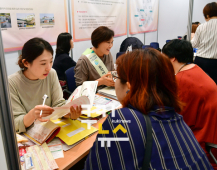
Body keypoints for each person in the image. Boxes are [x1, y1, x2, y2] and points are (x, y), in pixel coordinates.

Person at [84, 49, 212, 170]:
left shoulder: (124, 119)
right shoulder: (175, 117)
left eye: (117, 77)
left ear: (129, 86)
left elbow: (95, 166)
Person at [162, 39, 217, 169]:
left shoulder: (181, 79)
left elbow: (177, 119)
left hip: (200, 145)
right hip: (210, 135)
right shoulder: (196, 69)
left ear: (172, 59)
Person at [8, 38, 81, 133]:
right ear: (26, 63)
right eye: (43, 63)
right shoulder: (12, 82)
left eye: (51, 61)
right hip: (28, 136)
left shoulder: (51, 73)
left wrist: (70, 113)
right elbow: (16, 123)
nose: (48, 68)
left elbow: (58, 104)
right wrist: (32, 114)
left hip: (51, 130)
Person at [191, 2, 217, 84]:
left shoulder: (201, 26)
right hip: (215, 62)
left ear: (207, 15)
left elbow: (194, 44)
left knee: (199, 85)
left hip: (201, 61)